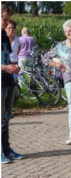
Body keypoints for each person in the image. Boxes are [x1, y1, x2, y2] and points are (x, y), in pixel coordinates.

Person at [1, 5, 24, 164]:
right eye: (5, 18)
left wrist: (14, 67)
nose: (7, 22)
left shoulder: (3, 34)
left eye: (8, 19)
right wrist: (4, 68)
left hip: (8, 80)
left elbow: (7, 57)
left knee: (6, 117)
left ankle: (6, 149)